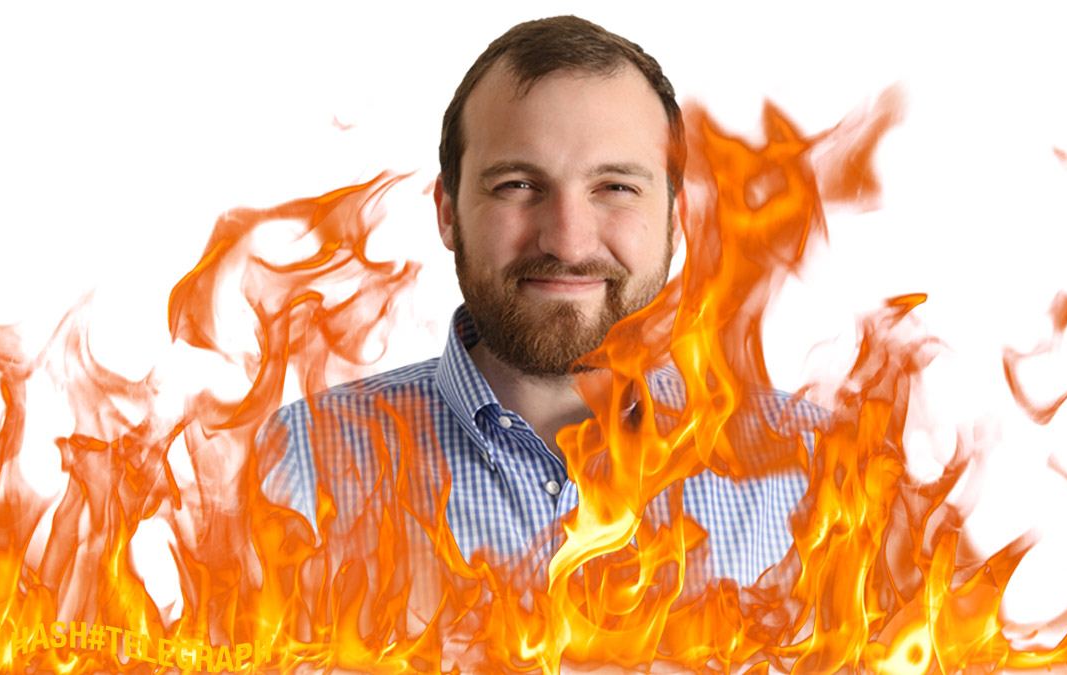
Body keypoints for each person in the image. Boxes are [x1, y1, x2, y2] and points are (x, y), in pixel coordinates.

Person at [262, 15, 821, 587]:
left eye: (616, 187)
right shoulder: (297, 463)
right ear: (448, 213)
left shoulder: (815, 469)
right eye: (518, 185)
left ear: (675, 220)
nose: (568, 242)